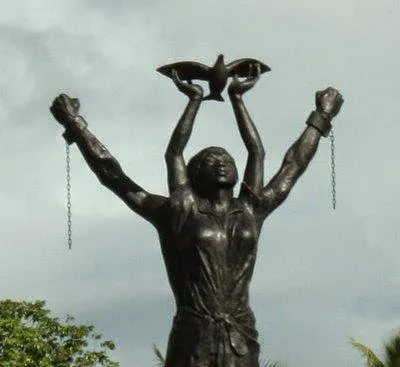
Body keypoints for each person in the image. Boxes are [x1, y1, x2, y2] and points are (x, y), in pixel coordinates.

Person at [50, 65, 343, 367]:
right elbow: (116, 173)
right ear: (192, 173)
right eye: (210, 160)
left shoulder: (251, 210)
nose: (221, 163)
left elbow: (287, 163)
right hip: (193, 337)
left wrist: (318, 116)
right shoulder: (179, 213)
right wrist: (75, 125)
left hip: (240, 336)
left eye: (226, 159)